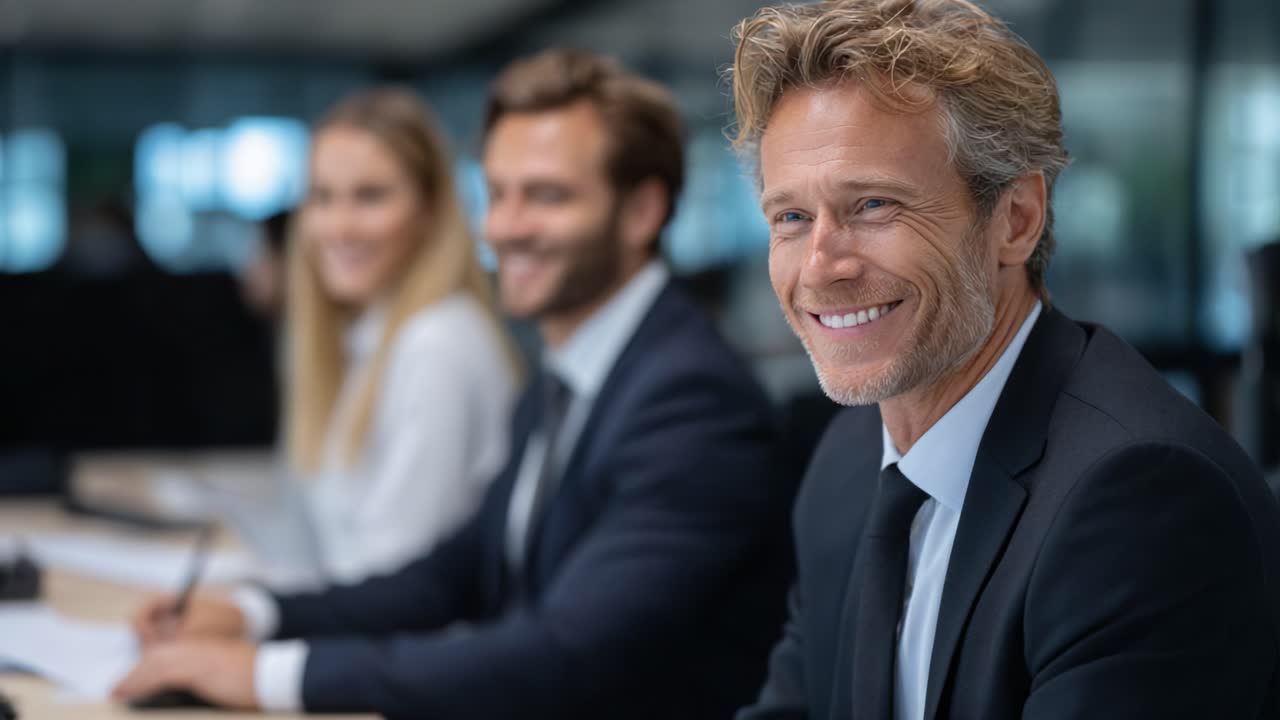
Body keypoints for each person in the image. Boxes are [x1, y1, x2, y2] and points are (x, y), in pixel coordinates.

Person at [113, 49, 794, 719]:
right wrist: (256, 615)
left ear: (643, 211)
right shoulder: (574, 371)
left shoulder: (690, 399)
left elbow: (563, 653)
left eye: (547, 196)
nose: (504, 227)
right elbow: (455, 573)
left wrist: (268, 676)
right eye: (497, 194)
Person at [729, 1, 1280, 719]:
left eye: (873, 205)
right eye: (791, 218)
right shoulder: (847, 460)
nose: (821, 267)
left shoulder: (1141, 496)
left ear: (1016, 220)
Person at [264, 89, 519, 585]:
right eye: (321, 197)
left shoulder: (438, 344)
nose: (338, 227)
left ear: (429, 210)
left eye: (370, 196)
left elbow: (392, 580)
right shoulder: (366, 336)